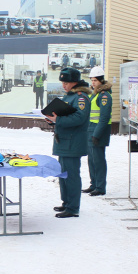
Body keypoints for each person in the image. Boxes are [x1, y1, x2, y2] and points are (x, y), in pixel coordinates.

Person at [44, 67, 91, 218]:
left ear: (75, 82)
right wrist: (53, 120)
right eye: (63, 82)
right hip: (64, 142)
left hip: (73, 142)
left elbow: (79, 118)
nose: (64, 85)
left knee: (71, 175)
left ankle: (73, 207)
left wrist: (58, 119)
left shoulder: (81, 97)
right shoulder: (69, 96)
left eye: (66, 82)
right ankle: (66, 203)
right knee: (63, 174)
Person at [84, 67, 113, 197]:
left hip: (98, 131)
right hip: (91, 129)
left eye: (95, 80)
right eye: (92, 80)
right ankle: (94, 184)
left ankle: (100, 187)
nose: (93, 82)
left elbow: (104, 117)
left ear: (101, 80)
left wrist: (97, 134)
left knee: (99, 160)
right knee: (92, 160)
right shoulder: (94, 94)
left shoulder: (104, 96)